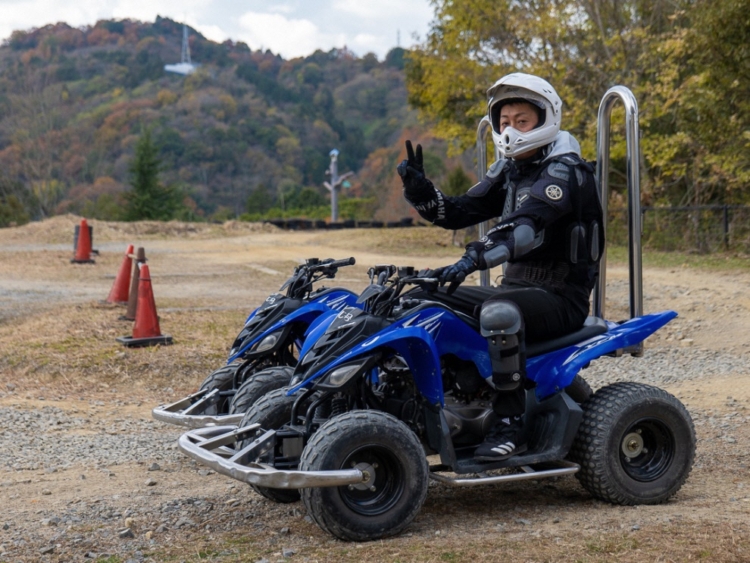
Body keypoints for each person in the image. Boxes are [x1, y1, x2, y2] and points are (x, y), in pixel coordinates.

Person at [397, 72, 604, 461]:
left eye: (521, 121)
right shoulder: (511, 171)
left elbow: (523, 228)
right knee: (424, 298)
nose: (510, 130)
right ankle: (440, 400)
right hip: (516, 290)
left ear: (546, 119)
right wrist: (420, 191)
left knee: (498, 313)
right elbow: (460, 210)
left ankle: (510, 424)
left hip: (560, 296)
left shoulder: (565, 171)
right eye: (504, 122)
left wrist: (473, 257)